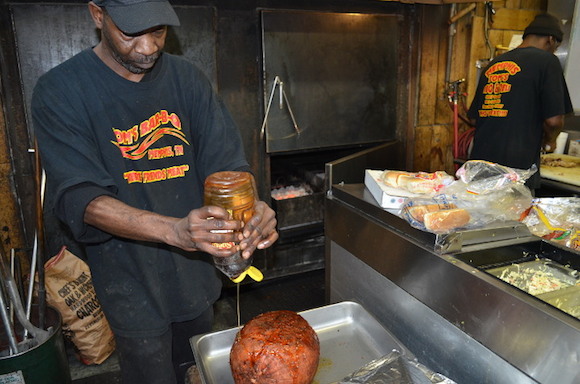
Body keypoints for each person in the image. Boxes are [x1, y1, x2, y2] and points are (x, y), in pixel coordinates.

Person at [31, 1, 278, 383]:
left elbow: (227, 166)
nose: (147, 48)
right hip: (129, 277)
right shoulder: (62, 90)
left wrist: (251, 208)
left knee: (196, 365)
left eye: (158, 31)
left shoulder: (188, 80)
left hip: (196, 273)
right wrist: (174, 231)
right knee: (150, 371)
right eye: (131, 33)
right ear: (98, 15)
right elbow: (82, 198)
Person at [467, 13, 573, 191]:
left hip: (480, 168)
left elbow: (474, 118)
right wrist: (550, 141)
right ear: (550, 40)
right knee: (513, 218)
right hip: (516, 172)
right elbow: (554, 121)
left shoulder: (493, 65)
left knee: (480, 217)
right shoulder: (547, 61)